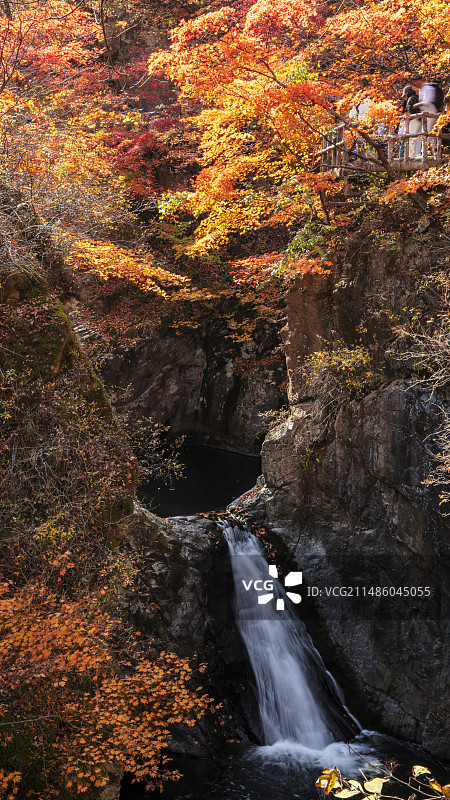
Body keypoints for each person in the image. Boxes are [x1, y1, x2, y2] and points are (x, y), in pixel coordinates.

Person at [409, 74, 441, 158]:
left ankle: (433, 153)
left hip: (430, 113)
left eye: (415, 82)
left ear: (419, 80)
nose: (415, 84)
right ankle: (424, 153)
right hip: (425, 114)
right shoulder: (422, 89)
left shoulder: (428, 88)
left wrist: (416, 105)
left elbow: (427, 101)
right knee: (424, 134)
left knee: (430, 134)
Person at [398, 85, 417, 158]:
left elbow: (405, 111)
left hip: (407, 123)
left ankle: (401, 158)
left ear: (406, 93)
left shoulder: (409, 100)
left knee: (403, 143)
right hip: (417, 122)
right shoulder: (418, 98)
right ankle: (412, 156)